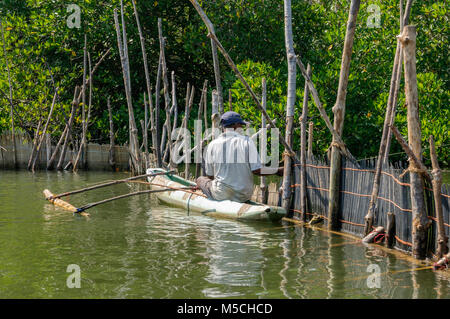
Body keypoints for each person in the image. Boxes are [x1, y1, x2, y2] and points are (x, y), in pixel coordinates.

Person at [196, 111, 283, 203]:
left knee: (200, 179)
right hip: (243, 196)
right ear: (235, 125)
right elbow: (257, 170)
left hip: (221, 195)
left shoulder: (212, 145)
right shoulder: (247, 141)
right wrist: (277, 170)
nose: (242, 128)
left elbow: (210, 175)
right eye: (241, 125)